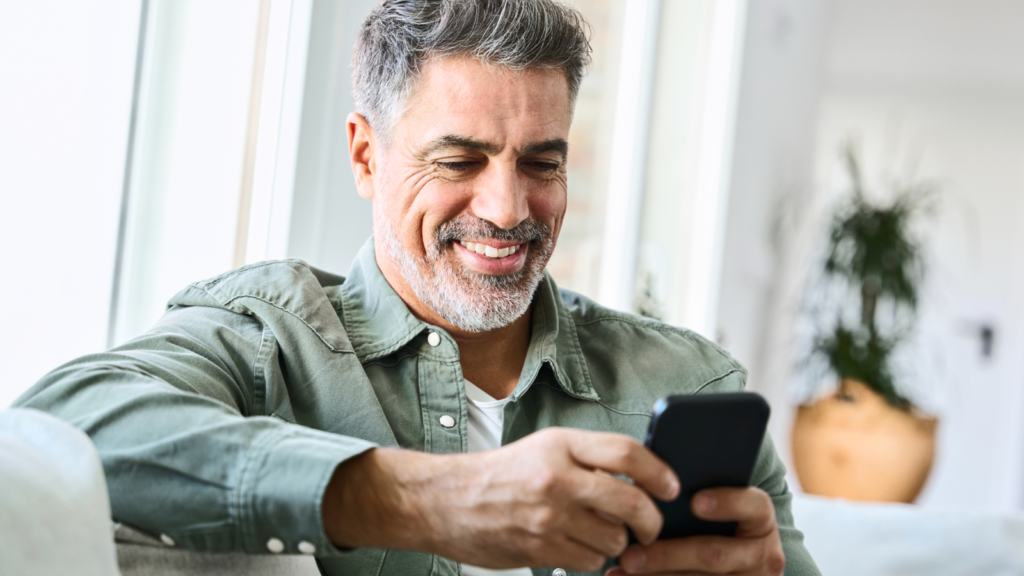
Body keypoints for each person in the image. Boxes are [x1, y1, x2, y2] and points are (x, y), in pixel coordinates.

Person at [15, 1, 819, 575]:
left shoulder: (689, 384)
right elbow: (57, 428)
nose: (508, 210)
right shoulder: (267, 339)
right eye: (459, 160)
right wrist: (436, 502)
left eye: (542, 162)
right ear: (366, 157)